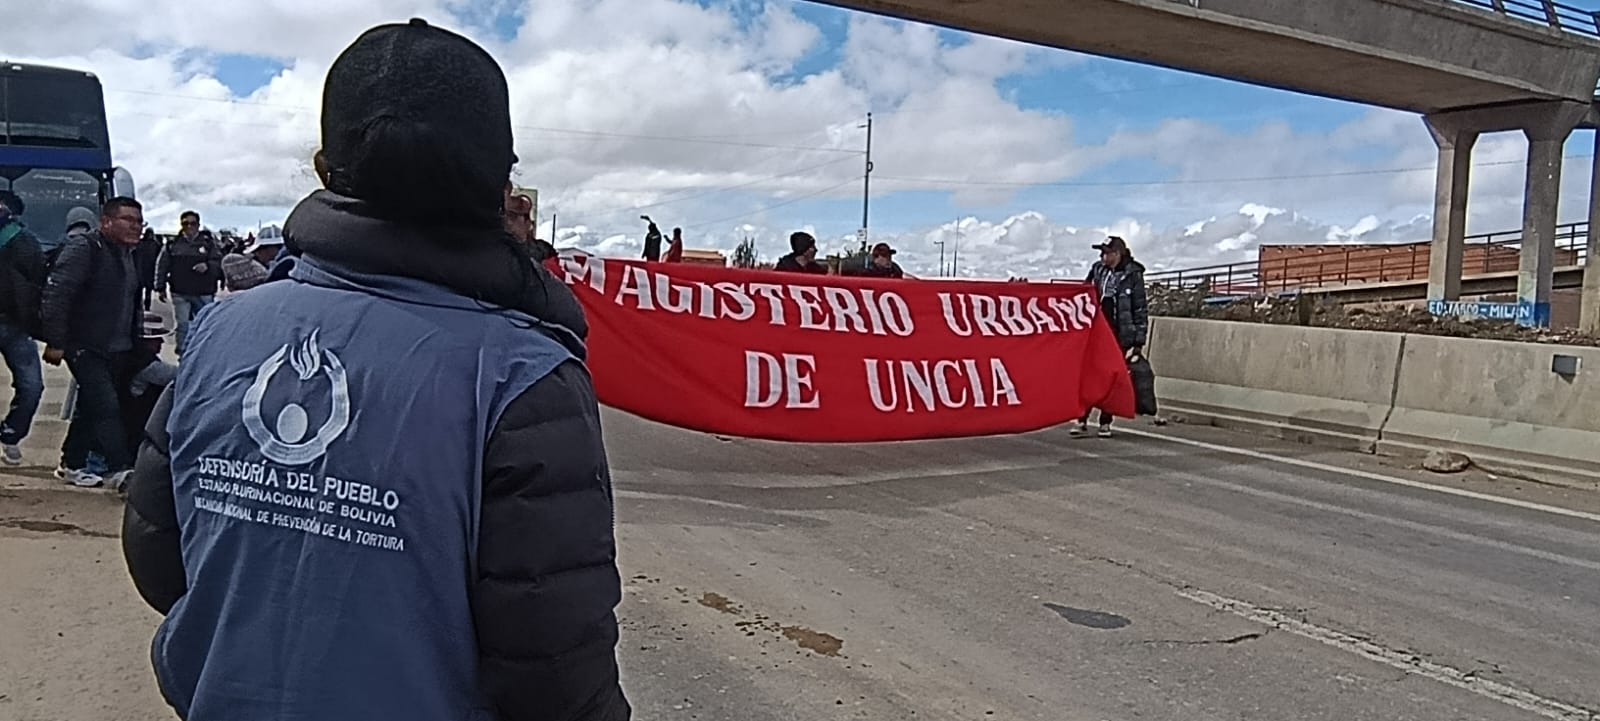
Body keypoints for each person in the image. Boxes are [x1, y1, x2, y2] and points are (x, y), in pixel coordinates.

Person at [121, 18, 630, 721]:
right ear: (499, 181)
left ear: (325, 167)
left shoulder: (218, 333)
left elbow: (158, 558)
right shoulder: (526, 375)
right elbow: (556, 669)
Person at [41, 197, 144, 488]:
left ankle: (71, 464)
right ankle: (120, 470)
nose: (135, 226)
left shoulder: (129, 254)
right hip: (85, 344)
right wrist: (56, 341)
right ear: (106, 222)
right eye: (128, 220)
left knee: (90, 407)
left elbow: (131, 302)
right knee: (106, 406)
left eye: (139, 221)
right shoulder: (85, 248)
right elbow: (57, 294)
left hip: (117, 346)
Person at [1071, 235, 1148, 439]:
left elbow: (1140, 308)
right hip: (1097, 331)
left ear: (1117, 253)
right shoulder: (1098, 270)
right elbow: (1083, 293)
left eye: (1106, 253)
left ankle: (1105, 421)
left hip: (1119, 333)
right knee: (1089, 374)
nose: (1102, 257)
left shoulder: (1133, 274)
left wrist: (1138, 341)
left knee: (1111, 377)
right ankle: (1081, 418)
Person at [0, 190, 47, 466]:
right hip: (15, 324)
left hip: (15, 324)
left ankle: (11, 432)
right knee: (31, 384)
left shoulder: (26, 242)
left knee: (32, 386)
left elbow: (40, 281)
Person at [154, 210, 224, 355]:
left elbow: (219, 262)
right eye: (185, 224)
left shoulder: (208, 243)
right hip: (180, 290)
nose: (189, 227)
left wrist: (208, 266)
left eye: (192, 223)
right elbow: (162, 265)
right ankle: (183, 352)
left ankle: (202, 351)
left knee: (204, 323)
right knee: (183, 324)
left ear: (198, 225)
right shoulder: (172, 244)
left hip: (203, 291)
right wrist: (159, 286)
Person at [122, 312, 177, 458]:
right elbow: (178, 375)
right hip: (136, 427)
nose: (162, 342)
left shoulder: (129, 358)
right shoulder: (144, 365)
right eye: (156, 338)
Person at [221, 227, 281, 292]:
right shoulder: (274, 269)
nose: (256, 254)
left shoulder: (280, 272)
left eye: (258, 250)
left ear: (271, 248)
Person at [136, 228, 162, 310]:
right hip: (149, 269)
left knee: (141, 289)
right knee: (146, 290)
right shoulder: (156, 245)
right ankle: (145, 305)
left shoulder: (140, 243)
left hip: (142, 268)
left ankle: (141, 305)